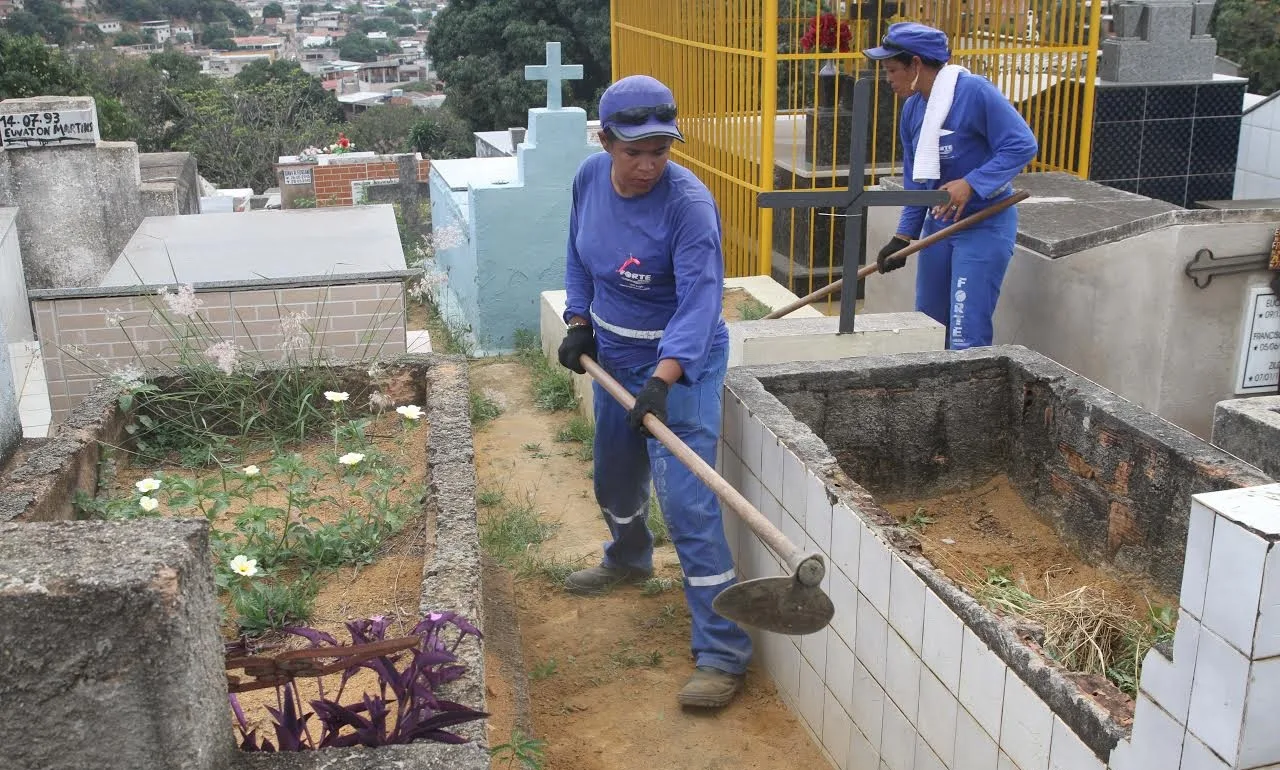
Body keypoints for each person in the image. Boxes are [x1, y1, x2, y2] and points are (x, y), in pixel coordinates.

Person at [554, 74, 752, 709]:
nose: (646, 166)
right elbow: (578, 254)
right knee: (613, 478)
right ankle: (629, 557)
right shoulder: (589, 179)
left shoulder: (688, 206)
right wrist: (579, 320)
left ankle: (722, 653)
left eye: (660, 151)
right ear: (605, 140)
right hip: (613, 352)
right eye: (633, 150)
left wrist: (666, 380)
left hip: (680, 363)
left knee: (690, 505)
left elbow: (700, 299)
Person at [865, 22, 1039, 350]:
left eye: (891, 69)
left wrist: (972, 183)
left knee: (965, 333)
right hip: (939, 226)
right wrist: (903, 236)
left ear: (916, 64)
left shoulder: (975, 93)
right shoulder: (913, 108)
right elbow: (917, 178)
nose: (887, 79)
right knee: (929, 327)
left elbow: (1021, 144)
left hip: (983, 224)